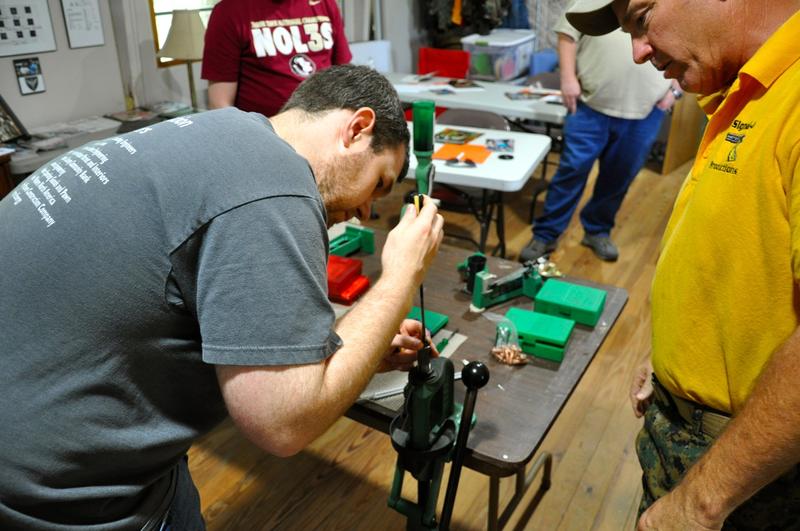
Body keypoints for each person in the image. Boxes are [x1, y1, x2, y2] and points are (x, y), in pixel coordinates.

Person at [0, 64, 444, 530]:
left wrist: (357, 347)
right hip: (56, 501)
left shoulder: (219, 133)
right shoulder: (276, 186)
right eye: (379, 183)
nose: (366, 210)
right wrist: (400, 277)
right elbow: (283, 422)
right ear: (357, 129)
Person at [566, 0, 800, 528]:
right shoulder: (747, 87)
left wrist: (701, 502)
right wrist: (673, 354)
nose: (638, 51)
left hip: (745, 470)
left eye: (642, 19)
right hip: (686, 426)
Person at [519, 9, 678, 263]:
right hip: (589, 106)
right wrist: (567, 78)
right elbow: (567, 33)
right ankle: (546, 234)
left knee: (619, 178)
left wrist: (676, 90)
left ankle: (597, 231)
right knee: (571, 172)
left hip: (645, 111)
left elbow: (692, 44)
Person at [201, 0, 352, 117]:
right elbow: (220, 104)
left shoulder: (325, 3)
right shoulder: (229, 11)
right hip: (266, 133)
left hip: (324, 124)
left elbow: (344, 77)